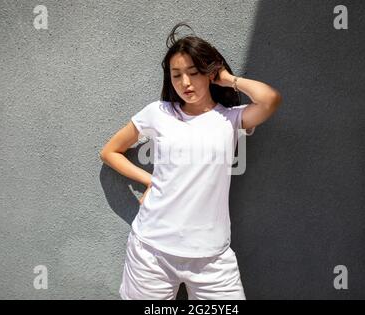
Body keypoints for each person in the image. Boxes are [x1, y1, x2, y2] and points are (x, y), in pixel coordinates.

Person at [100, 22, 282, 300]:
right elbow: (110, 151)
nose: (185, 83)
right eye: (176, 75)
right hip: (151, 252)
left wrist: (227, 78)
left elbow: (270, 99)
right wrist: (150, 180)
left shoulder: (231, 118)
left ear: (209, 73)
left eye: (194, 73)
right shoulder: (158, 113)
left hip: (211, 258)